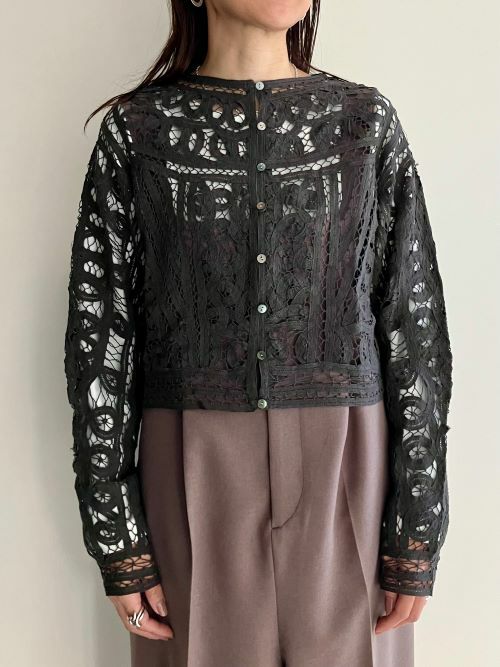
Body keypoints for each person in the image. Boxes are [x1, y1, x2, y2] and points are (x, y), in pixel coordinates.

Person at [63, 1, 453, 665]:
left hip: (349, 462)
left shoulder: (364, 124)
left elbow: (413, 328)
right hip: (190, 459)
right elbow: (103, 335)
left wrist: (417, 525)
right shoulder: (139, 133)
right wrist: (116, 533)